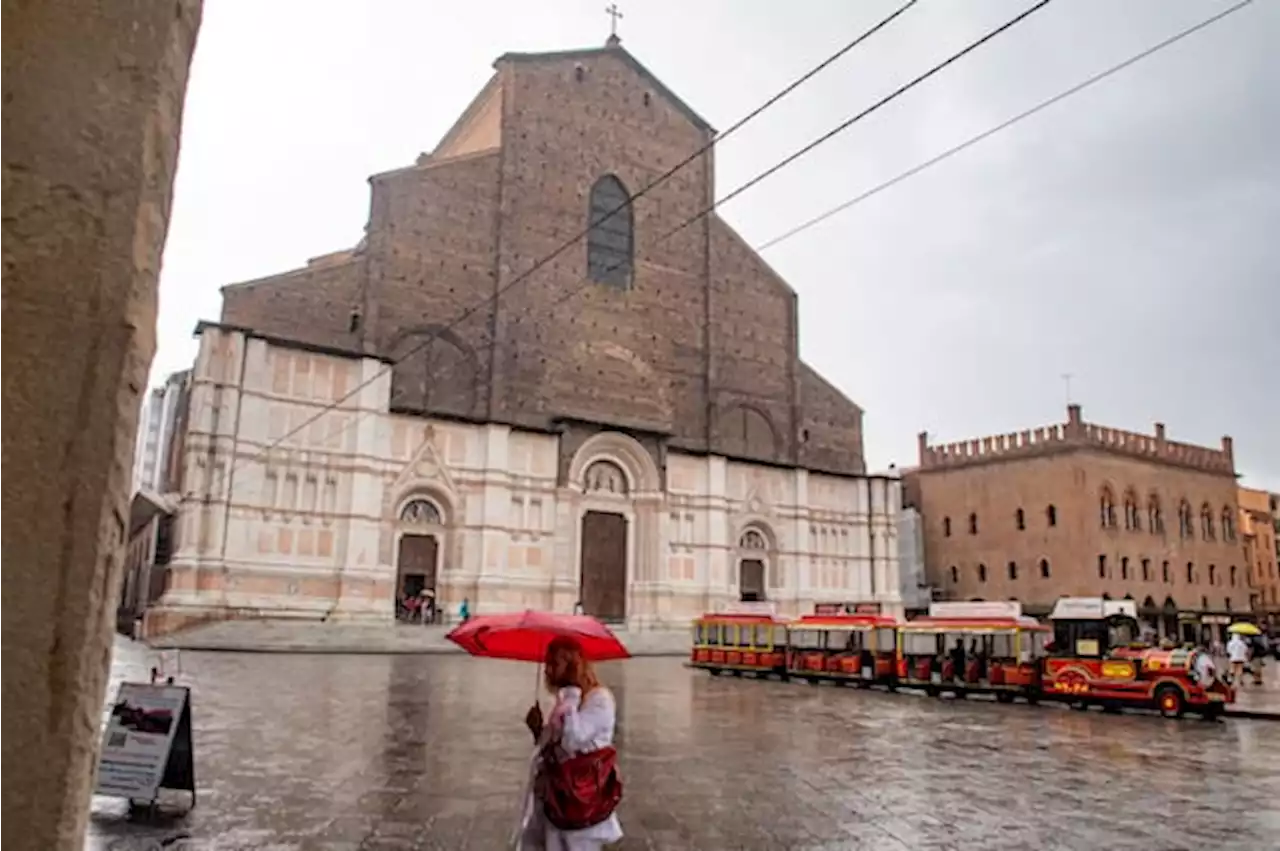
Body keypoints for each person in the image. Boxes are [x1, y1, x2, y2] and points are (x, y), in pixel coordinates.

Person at [518, 638, 623, 850]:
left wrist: (572, 695)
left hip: (579, 797)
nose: (547, 670)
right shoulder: (565, 700)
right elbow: (552, 746)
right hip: (556, 796)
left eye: (554, 664)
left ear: (572, 665)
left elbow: (572, 741)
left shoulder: (599, 699)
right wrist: (538, 730)